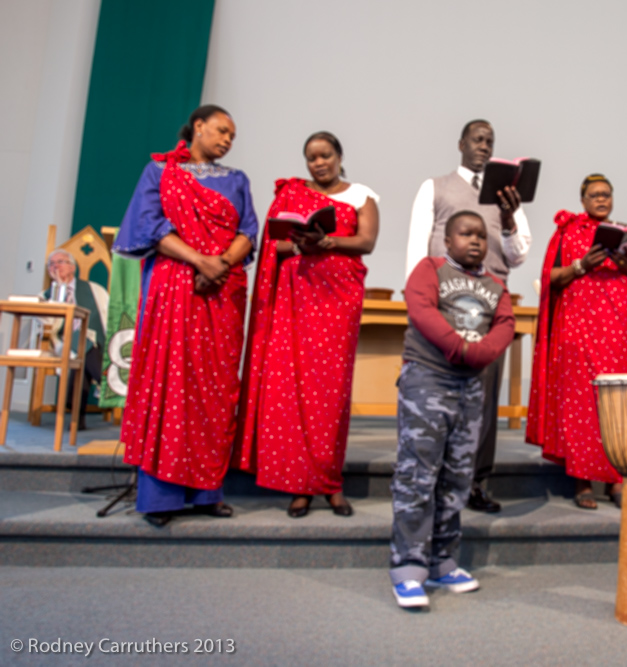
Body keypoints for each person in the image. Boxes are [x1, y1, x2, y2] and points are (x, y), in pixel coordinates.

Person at [113, 105, 258, 528]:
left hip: (221, 293)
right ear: (198, 126)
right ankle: (161, 496)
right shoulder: (159, 172)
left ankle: (206, 492)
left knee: (214, 387)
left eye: (232, 135)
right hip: (174, 285)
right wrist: (199, 261)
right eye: (221, 130)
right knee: (170, 382)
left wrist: (220, 266)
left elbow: (248, 231)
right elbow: (149, 227)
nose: (228, 140)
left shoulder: (237, 180)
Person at [234, 131, 379, 518]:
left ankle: (330, 483)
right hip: (298, 298)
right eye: (312, 158)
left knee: (329, 394)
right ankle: (299, 486)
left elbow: (366, 242)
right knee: (293, 390)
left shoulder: (361, 195)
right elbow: (273, 248)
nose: (319, 163)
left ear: (339, 155)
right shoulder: (291, 196)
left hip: (338, 299)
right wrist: (303, 245)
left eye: (326, 155)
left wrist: (326, 242)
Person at [404, 119, 532, 513]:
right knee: (437, 390)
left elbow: (519, 253)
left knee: (483, 398)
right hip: (443, 300)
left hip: (489, 303)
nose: (483, 146)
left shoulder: (506, 196)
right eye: (477, 139)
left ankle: (476, 481)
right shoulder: (435, 186)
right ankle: (432, 477)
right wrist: (418, 305)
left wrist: (509, 219)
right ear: (460, 143)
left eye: (490, 141)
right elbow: (416, 246)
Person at [390, 211, 515, 608]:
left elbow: (505, 324)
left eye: (481, 235)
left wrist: (483, 352)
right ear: (447, 240)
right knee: (418, 473)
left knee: (458, 476)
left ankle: (442, 560)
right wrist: (458, 347)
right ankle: (408, 566)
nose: (475, 241)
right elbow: (421, 310)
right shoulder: (430, 269)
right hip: (428, 380)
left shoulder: (496, 285)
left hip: (470, 387)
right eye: (466, 233)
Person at [526, 174, 627, 510]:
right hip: (578, 325)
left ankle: (614, 480)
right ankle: (582, 481)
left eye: (607, 194)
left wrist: (625, 262)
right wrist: (582, 265)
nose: (601, 199)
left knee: (616, 400)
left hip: (618, 326)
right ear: (582, 200)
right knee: (581, 399)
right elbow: (550, 277)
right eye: (595, 195)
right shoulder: (567, 232)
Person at [40, 249, 109, 430]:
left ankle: (76, 416)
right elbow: (47, 323)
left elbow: (110, 316)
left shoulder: (94, 290)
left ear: (72, 266)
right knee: (83, 347)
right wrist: (59, 291)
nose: (55, 266)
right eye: (51, 264)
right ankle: (108, 383)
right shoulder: (45, 296)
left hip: (97, 342)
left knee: (84, 349)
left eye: (60, 262)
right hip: (63, 342)